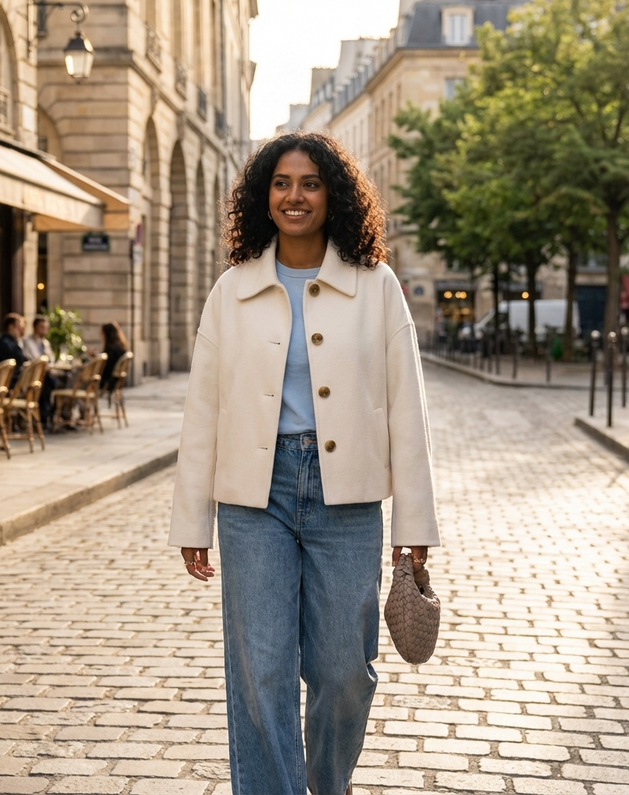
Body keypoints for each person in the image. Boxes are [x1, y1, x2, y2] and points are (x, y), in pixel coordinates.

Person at [168, 132, 440, 795]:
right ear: (263, 197)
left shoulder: (376, 286)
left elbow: (407, 408)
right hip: (252, 500)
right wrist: (192, 520)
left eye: (311, 183)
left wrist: (415, 524)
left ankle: (326, 782)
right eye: (282, 183)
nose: (295, 196)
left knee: (344, 671)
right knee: (260, 671)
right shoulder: (232, 289)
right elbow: (204, 409)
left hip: (347, 499)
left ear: (333, 195)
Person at [21, 316, 59, 426]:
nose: (44, 330)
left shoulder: (45, 343)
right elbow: (34, 359)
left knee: (64, 380)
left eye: (46, 328)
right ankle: (44, 416)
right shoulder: (27, 341)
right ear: (34, 327)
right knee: (47, 384)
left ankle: (55, 414)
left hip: (47, 373)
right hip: (33, 376)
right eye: (41, 327)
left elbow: (51, 359)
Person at [0, 313, 26, 385]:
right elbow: (16, 359)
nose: (21, 330)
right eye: (19, 327)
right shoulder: (4, 342)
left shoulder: (12, 341)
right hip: (9, 380)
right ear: (11, 327)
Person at [99, 321, 128, 392]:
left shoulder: (110, 348)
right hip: (115, 380)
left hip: (107, 381)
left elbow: (107, 366)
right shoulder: (120, 346)